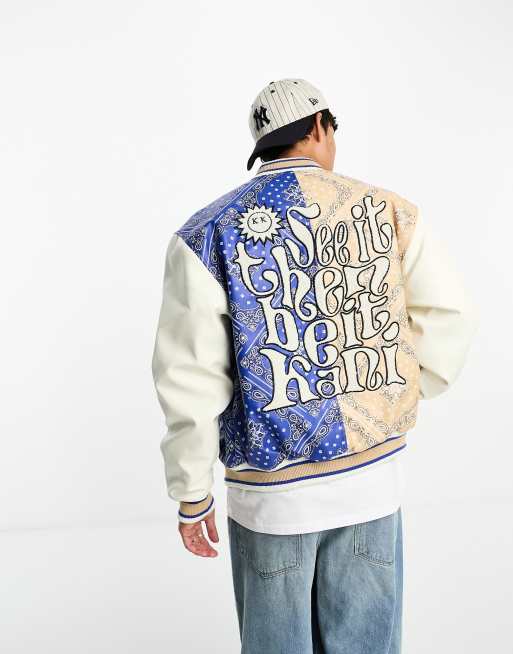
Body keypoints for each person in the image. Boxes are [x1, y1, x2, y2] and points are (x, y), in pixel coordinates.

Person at [151, 78, 478, 653]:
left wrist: (191, 491)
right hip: (370, 484)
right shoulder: (389, 211)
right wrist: (401, 391)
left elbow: (189, 379)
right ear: (321, 127)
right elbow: (449, 315)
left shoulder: (205, 234)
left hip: (270, 499)